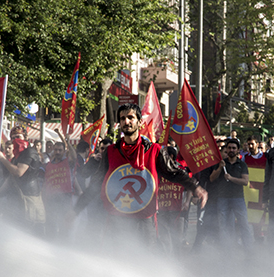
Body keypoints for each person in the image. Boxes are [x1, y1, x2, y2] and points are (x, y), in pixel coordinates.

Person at [73, 103, 206, 244]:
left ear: (140, 122)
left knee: (146, 261)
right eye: (123, 118)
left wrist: (196, 188)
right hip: (116, 219)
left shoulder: (155, 150)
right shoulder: (111, 151)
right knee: (114, 261)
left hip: (144, 220)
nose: (126, 121)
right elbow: (97, 183)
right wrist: (76, 210)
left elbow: (174, 172)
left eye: (131, 117)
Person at [210, 138, 252, 249]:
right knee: (223, 225)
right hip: (223, 198)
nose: (231, 150)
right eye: (229, 148)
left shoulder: (242, 165)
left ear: (238, 150)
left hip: (238, 199)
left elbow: (245, 181)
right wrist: (219, 168)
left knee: (244, 224)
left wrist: (231, 178)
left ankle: (249, 249)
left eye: (234, 148)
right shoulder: (221, 164)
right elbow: (212, 178)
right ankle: (226, 249)